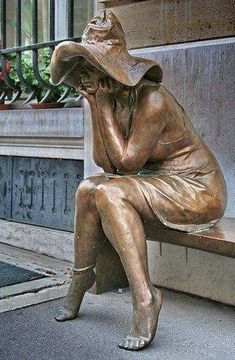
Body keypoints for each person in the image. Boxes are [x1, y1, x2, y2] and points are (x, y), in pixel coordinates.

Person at [50, 10, 227, 351]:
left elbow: (128, 165)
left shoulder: (152, 99)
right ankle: (82, 276)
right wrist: (94, 104)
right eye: (83, 68)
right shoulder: (111, 99)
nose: (85, 75)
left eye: (91, 67)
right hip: (157, 181)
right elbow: (106, 163)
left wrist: (99, 101)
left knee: (111, 195)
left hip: (197, 190)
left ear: (110, 68)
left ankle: (145, 297)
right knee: (90, 187)